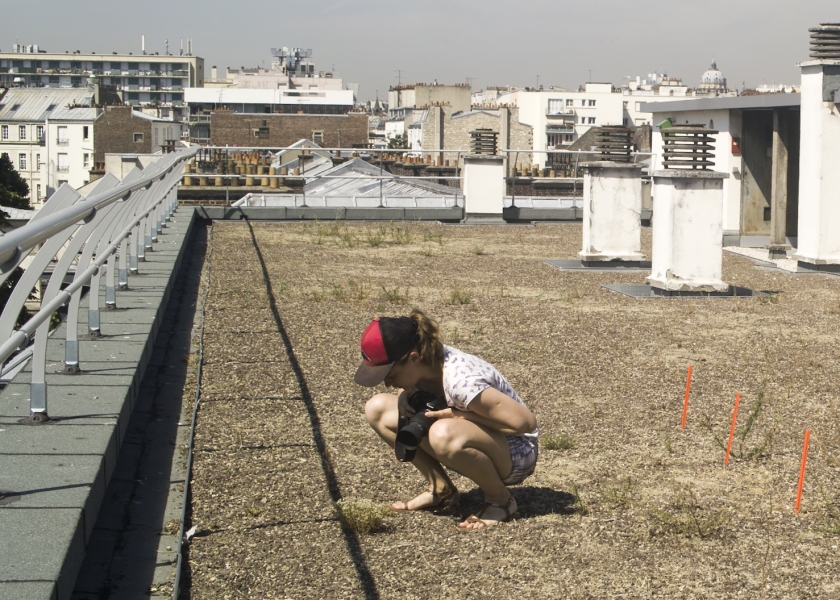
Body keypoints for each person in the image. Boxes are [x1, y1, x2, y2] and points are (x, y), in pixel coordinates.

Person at [356, 309, 539, 530]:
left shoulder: (461, 382)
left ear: (413, 358)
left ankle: (500, 501)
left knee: (442, 433)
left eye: (390, 376)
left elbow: (525, 423)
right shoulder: (425, 362)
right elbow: (406, 386)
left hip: (517, 451)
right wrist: (404, 393)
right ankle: (440, 489)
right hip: (482, 435)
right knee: (377, 409)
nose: (388, 384)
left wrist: (459, 415)